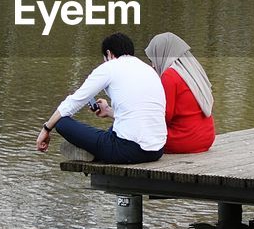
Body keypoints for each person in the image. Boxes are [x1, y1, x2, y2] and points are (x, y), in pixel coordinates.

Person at [36, 32, 167, 164]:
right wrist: (108, 110)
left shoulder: (109, 67)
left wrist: (46, 129)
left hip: (128, 151)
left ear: (109, 54)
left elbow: (74, 102)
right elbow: (140, 114)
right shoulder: (148, 70)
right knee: (115, 129)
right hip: (157, 150)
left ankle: (94, 150)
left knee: (61, 122)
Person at [142, 32, 216, 154]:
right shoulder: (193, 71)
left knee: (135, 137)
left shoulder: (169, 76)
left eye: (153, 59)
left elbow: (163, 117)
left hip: (185, 140)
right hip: (207, 137)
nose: (153, 65)